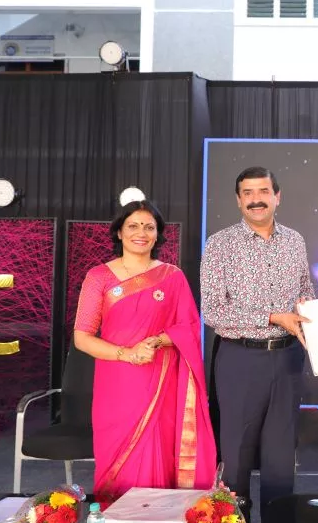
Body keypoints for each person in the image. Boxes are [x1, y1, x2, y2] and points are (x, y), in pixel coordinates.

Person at [74, 200, 216, 500]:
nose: (141, 233)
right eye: (133, 226)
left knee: (159, 448)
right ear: (119, 232)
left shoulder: (172, 276)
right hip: (117, 382)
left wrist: (156, 341)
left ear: (157, 234)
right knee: (118, 452)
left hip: (161, 378)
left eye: (149, 227)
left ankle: (159, 521)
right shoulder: (98, 277)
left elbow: (189, 327)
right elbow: (82, 337)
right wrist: (128, 354)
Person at [201, 166, 313, 515]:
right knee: (236, 453)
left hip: (288, 358)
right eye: (247, 193)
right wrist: (273, 317)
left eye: (263, 191)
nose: (255, 200)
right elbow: (213, 311)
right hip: (240, 359)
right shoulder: (220, 244)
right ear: (238, 200)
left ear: (277, 197)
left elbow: (305, 291)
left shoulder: (295, 241)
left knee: (281, 455)